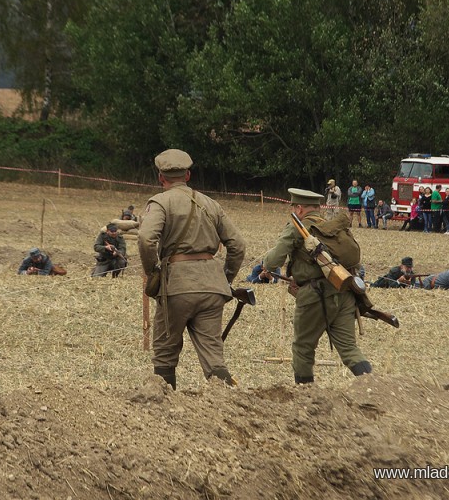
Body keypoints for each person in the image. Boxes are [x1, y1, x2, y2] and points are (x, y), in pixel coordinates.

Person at [137, 149, 246, 389]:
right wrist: (225, 278)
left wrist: (152, 272)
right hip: (212, 287)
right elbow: (237, 245)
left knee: (165, 353)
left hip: (176, 287)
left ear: (160, 178)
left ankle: (164, 409)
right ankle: (228, 404)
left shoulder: (160, 202)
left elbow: (146, 239)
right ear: (187, 175)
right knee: (213, 356)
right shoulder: (211, 204)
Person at [262, 188, 372, 384]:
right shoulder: (330, 226)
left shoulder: (299, 227)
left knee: (303, 348)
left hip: (316, 296)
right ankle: (375, 388)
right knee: (349, 348)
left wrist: (266, 260)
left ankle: (306, 396)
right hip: (346, 293)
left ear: (299, 208)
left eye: (294, 207)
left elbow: (272, 262)